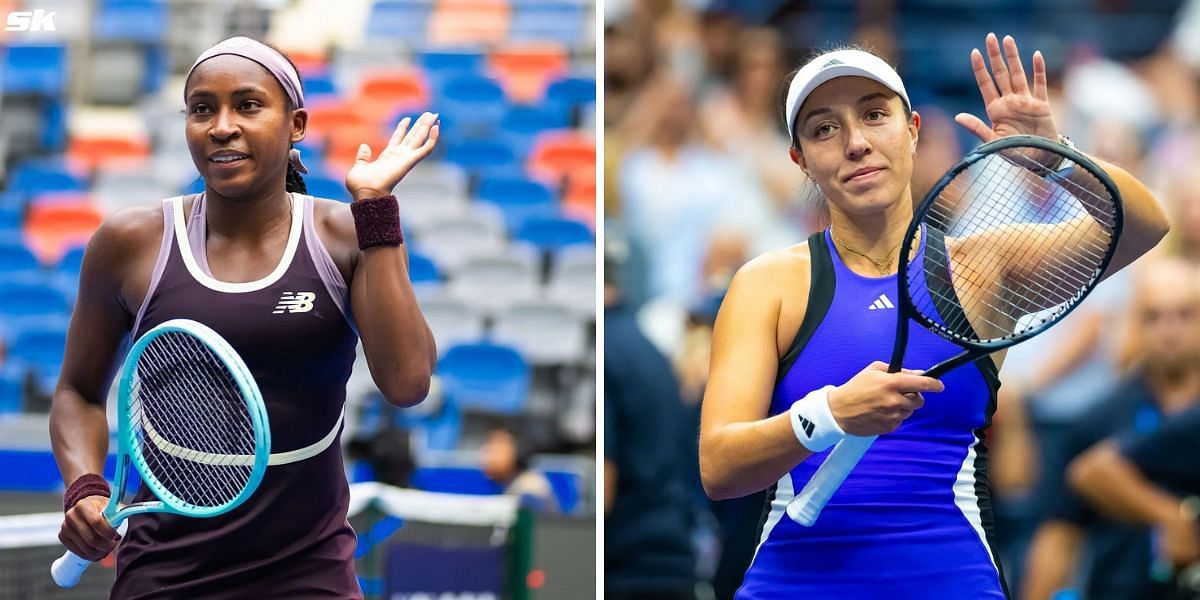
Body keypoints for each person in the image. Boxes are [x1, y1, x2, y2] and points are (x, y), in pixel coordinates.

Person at [698, 33, 1169, 598]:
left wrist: (1056, 158)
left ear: (914, 130)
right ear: (800, 159)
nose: (855, 144)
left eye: (875, 116)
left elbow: (1143, 225)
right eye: (825, 128)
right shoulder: (765, 284)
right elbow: (719, 469)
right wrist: (830, 413)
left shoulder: (983, 266)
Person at [50, 37, 437, 598]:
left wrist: (376, 207)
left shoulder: (349, 235)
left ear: (296, 124)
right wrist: (84, 486)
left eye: (248, 105)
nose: (221, 126)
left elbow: (407, 384)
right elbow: (78, 392)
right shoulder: (128, 243)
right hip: (163, 574)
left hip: (309, 573)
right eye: (202, 109)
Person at [1021, 259, 1200, 600]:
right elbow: (1058, 534)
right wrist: (1169, 516)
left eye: (1184, 314)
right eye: (1153, 316)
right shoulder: (1098, 418)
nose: (1169, 329)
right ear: (1134, 324)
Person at [479, 421, 560, 513]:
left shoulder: (531, 493)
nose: (487, 455)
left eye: (495, 448)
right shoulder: (509, 487)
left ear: (519, 451)